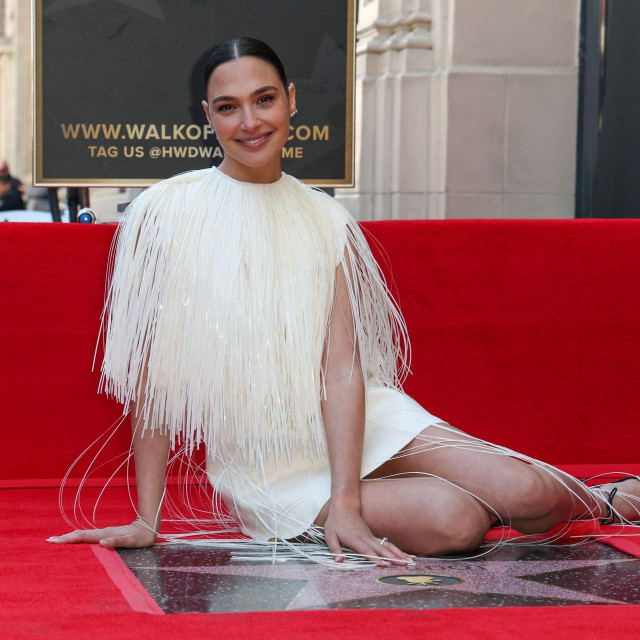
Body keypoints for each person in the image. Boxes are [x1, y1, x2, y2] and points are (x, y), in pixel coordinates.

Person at [47, 38, 640, 567]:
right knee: (455, 520)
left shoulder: (325, 217)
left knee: (529, 494)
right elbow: (155, 382)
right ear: (208, 116)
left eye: (265, 99)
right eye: (228, 107)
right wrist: (147, 521)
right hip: (270, 462)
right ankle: (500, 504)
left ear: (292, 101)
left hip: (366, 422)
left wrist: (350, 501)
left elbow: (342, 369)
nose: (250, 121)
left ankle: (609, 500)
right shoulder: (165, 212)